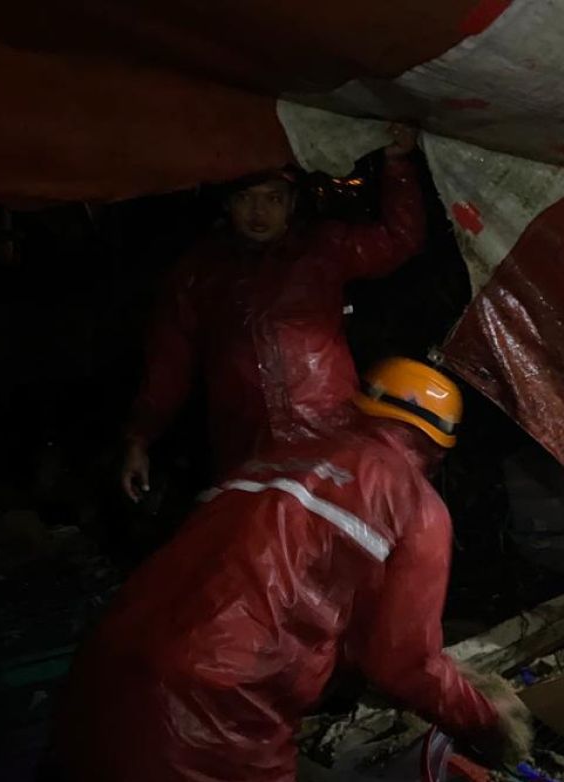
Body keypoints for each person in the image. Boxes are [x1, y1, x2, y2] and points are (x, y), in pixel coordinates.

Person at [58, 358, 530, 782]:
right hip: (215, 707)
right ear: (438, 448)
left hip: (98, 672)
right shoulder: (417, 503)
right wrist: (487, 722)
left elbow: (283, 588)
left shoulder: (273, 461)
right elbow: (402, 665)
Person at [121, 124, 426, 500]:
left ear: (292, 204)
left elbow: (399, 239)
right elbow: (167, 368)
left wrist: (397, 164)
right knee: (262, 550)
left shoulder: (322, 249)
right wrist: (140, 437)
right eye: (246, 198)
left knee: (335, 537)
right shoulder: (197, 273)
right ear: (228, 204)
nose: (259, 212)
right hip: (247, 448)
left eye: (273, 199)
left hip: (329, 435)